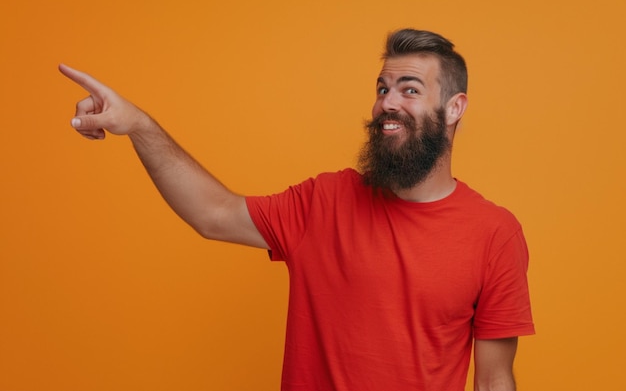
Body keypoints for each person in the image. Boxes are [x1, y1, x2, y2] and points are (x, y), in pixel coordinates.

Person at [60, 28, 534, 391]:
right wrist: (139, 125)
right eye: (382, 88)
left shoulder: (495, 233)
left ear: (455, 108)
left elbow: (493, 381)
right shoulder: (325, 201)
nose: (387, 103)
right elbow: (214, 214)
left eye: (410, 89)